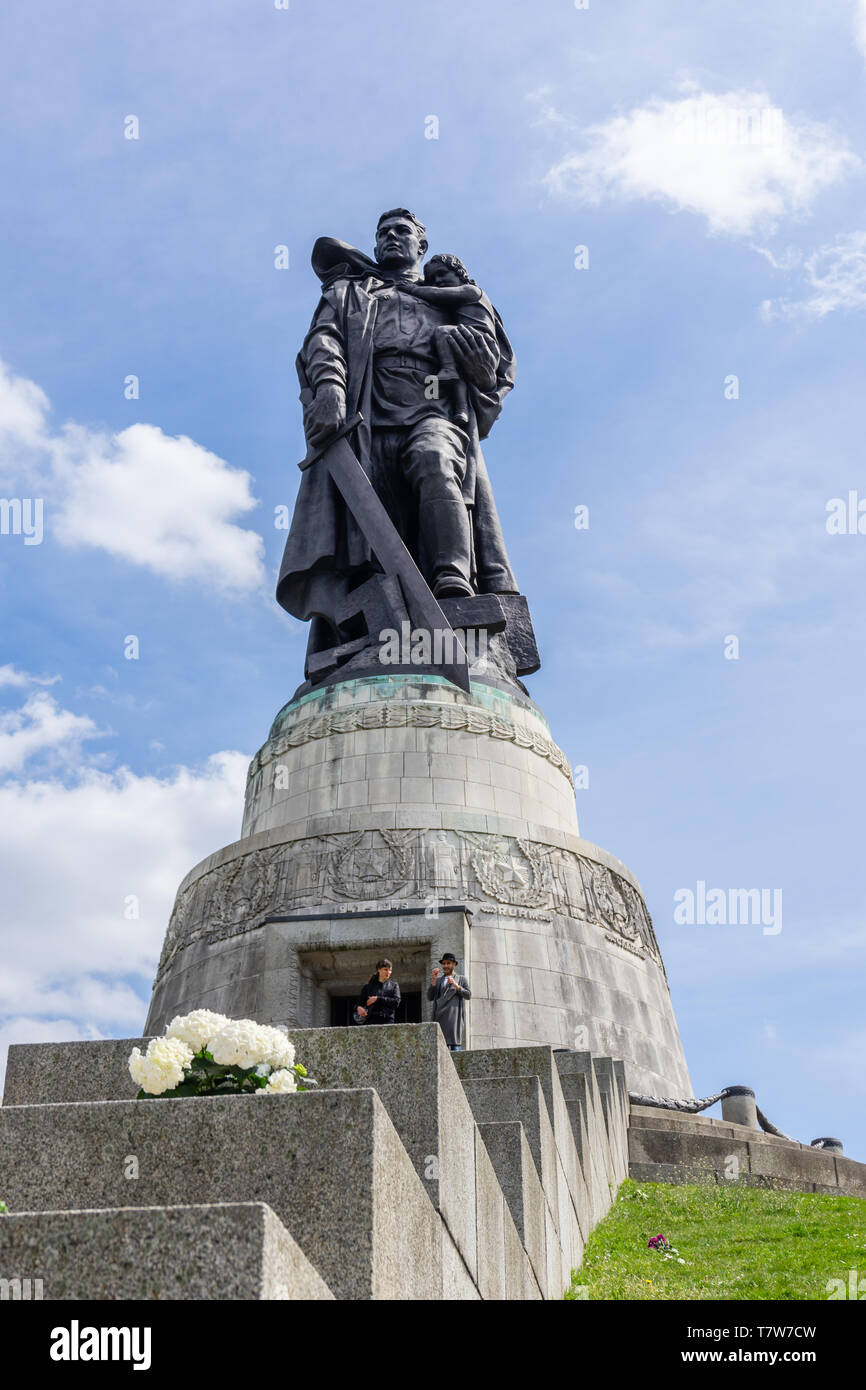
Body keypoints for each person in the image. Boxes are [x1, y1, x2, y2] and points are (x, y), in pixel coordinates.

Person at [276, 209, 519, 674]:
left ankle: (450, 583)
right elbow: (322, 340)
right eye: (382, 232)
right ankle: (374, 627)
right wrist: (329, 387)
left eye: (401, 231)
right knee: (368, 515)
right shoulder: (348, 292)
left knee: (434, 459)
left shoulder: (448, 296)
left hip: (432, 402)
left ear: (420, 246)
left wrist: (480, 369)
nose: (390, 237)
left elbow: (494, 365)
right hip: (366, 408)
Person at [398, 254, 498, 427]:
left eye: (442, 274)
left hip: (478, 341)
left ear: (459, 273)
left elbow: (436, 294)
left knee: (443, 333)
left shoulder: (471, 291)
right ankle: (461, 409)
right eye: (432, 278)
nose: (437, 281)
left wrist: (413, 289)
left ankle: (448, 368)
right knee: (455, 376)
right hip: (463, 339)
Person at [427, 953, 471, 1051]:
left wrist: (456, 986)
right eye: (444, 963)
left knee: (455, 1049)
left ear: (454, 964)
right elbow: (429, 997)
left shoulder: (461, 979)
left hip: (454, 1020)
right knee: (441, 1050)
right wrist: (433, 981)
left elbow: (468, 995)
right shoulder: (438, 980)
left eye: (448, 963)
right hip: (439, 1018)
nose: (445, 966)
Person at [355, 959, 401, 1025]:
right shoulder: (368, 987)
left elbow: (396, 1002)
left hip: (388, 1020)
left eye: (390, 970)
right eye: (386, 969)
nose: (388, 972)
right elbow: (358, 1004)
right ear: (379, 970)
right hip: (371, 1020)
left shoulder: (394, 985)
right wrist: (359, 1008)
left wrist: (377, 999)